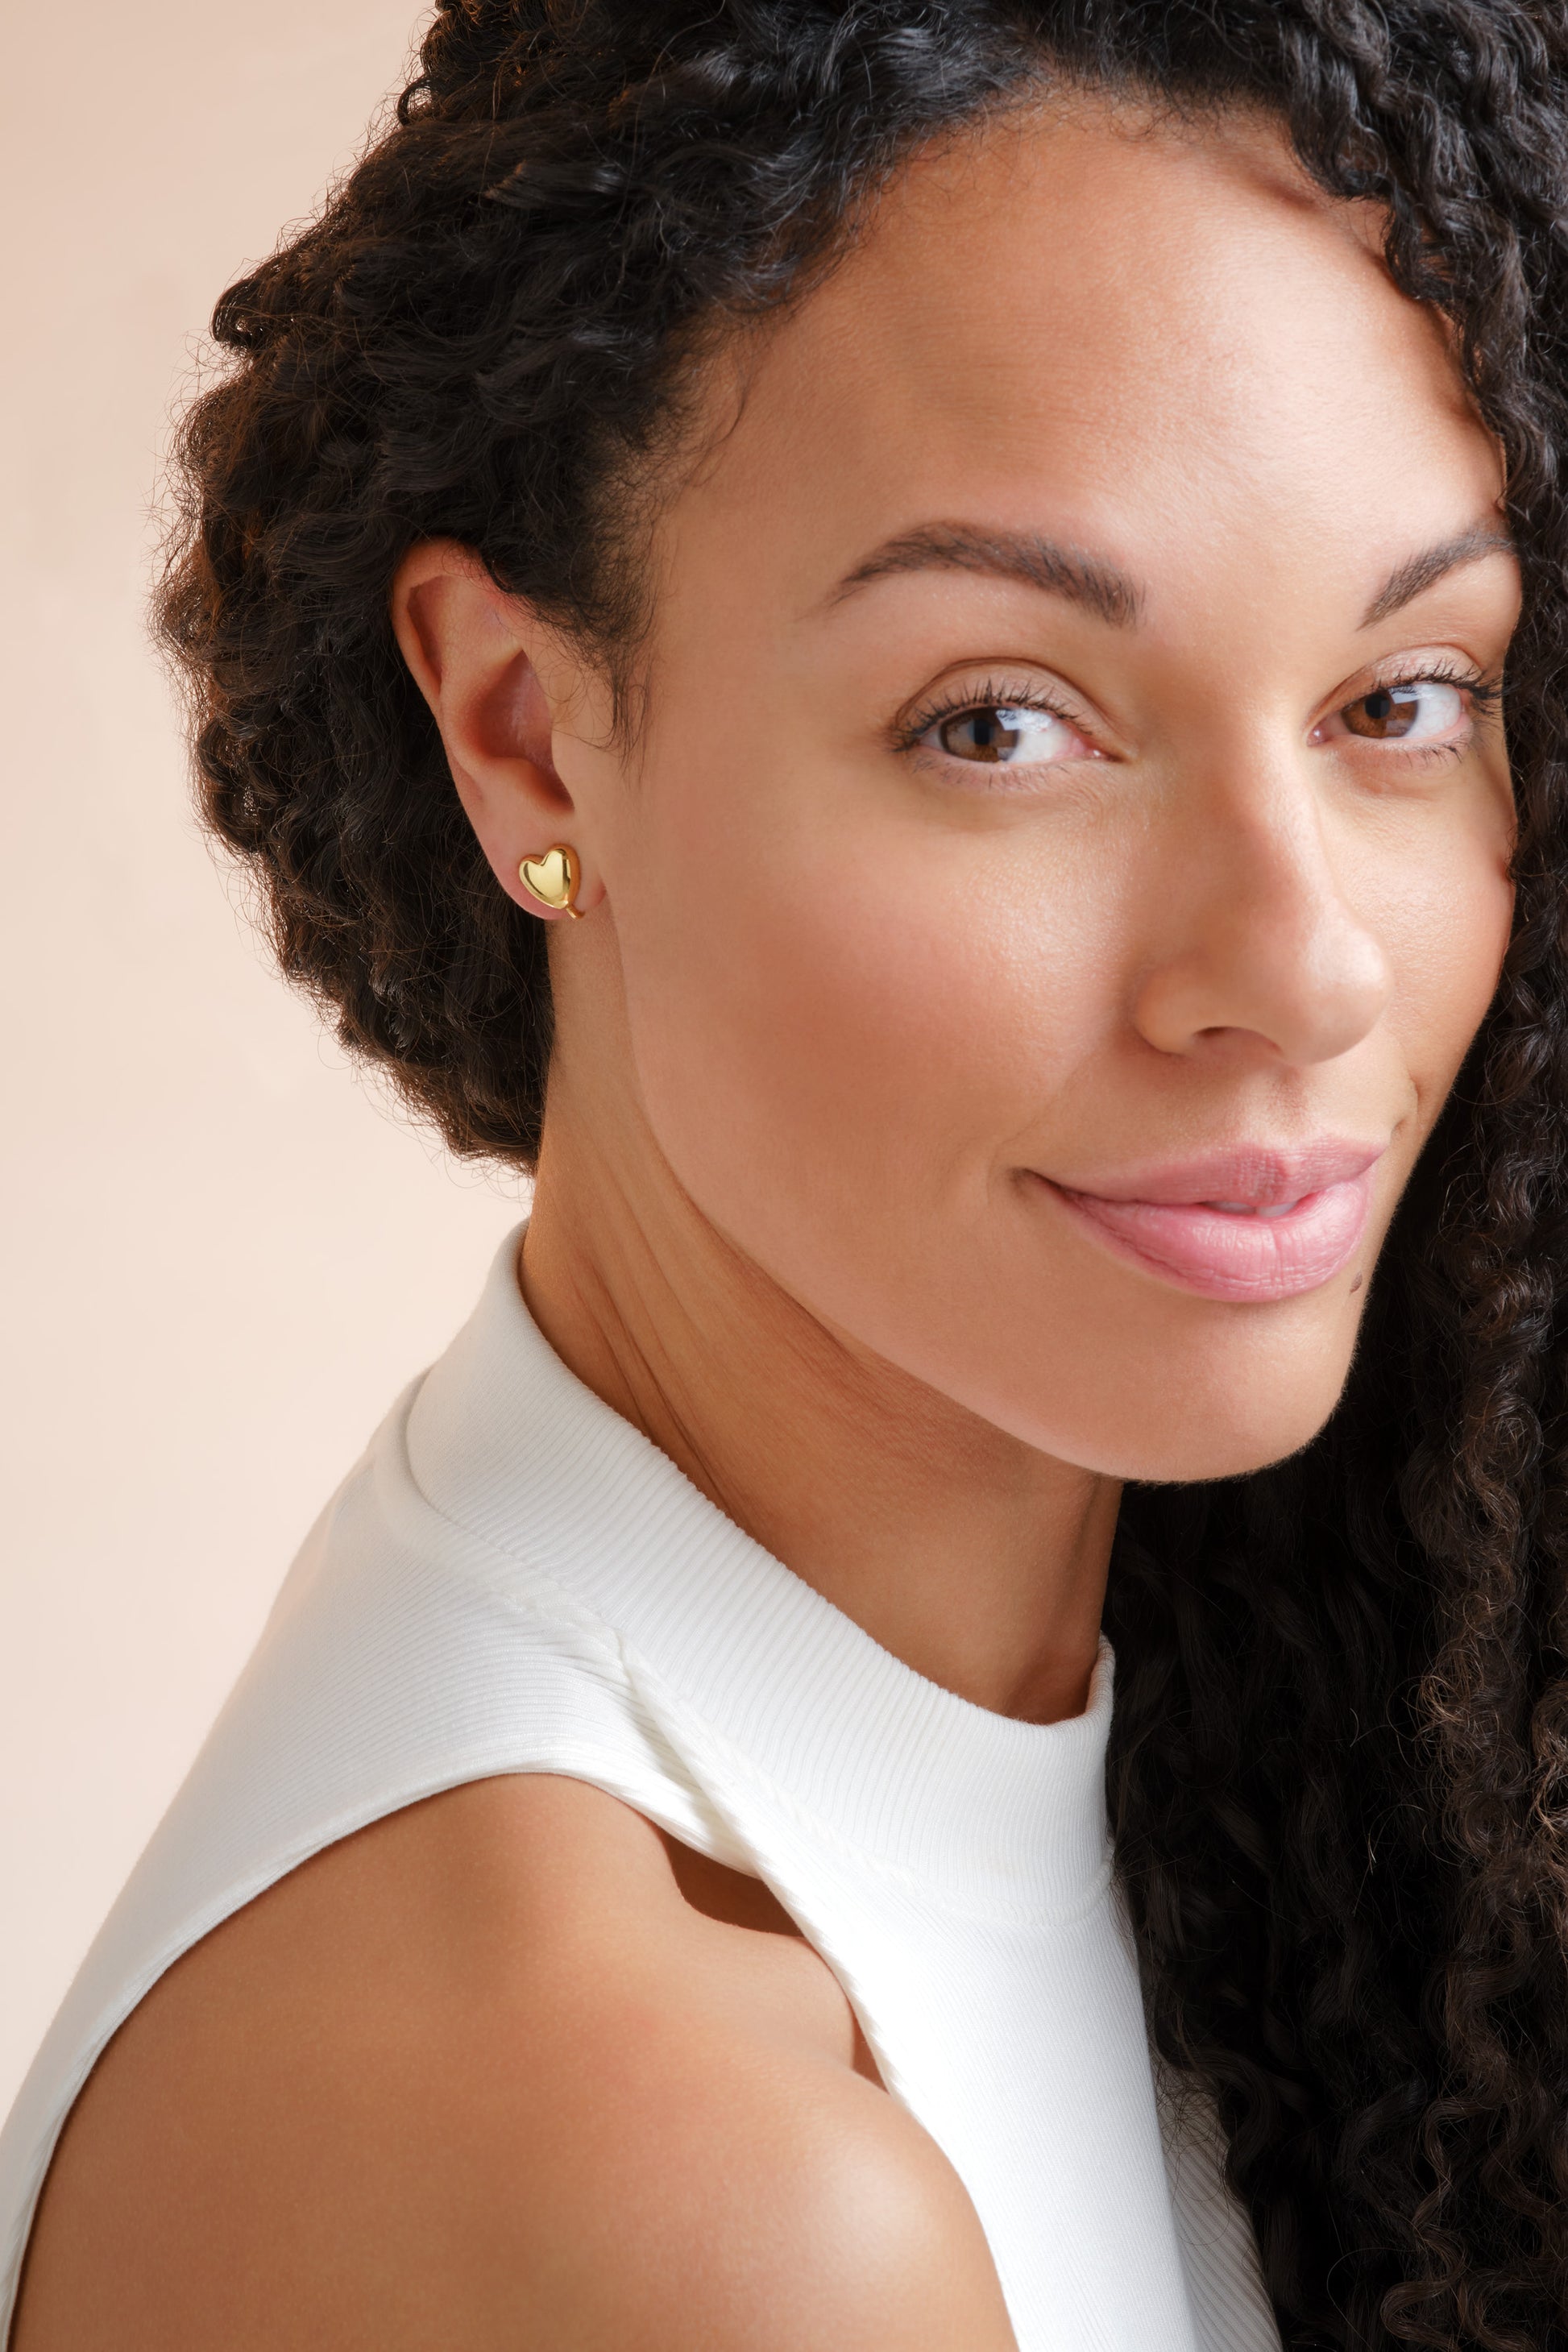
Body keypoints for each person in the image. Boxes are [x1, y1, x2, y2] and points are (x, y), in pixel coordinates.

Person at [6, 0, 1567, 2344]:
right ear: (529, 737)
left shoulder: (1169, 1745)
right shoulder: (669, 2178)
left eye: (1398, 700)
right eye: (1000, 721)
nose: (1298, 965)